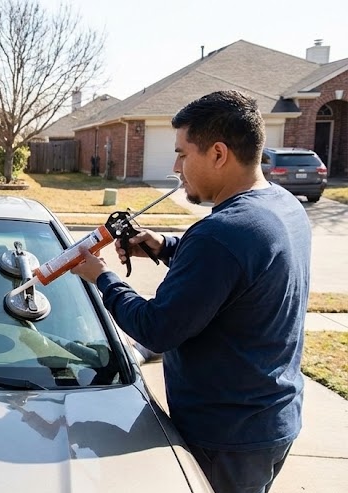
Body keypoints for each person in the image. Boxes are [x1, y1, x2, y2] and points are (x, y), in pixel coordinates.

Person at [70, 90, 311, 493]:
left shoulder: (222, 233)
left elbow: (156, 328)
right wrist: (162, 245)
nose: (176, 167)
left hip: (225, 436)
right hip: (269, 418)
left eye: (183, 154)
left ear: (218, 154)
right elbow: (237, 267)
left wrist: (101, 277)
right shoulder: (281, 206)